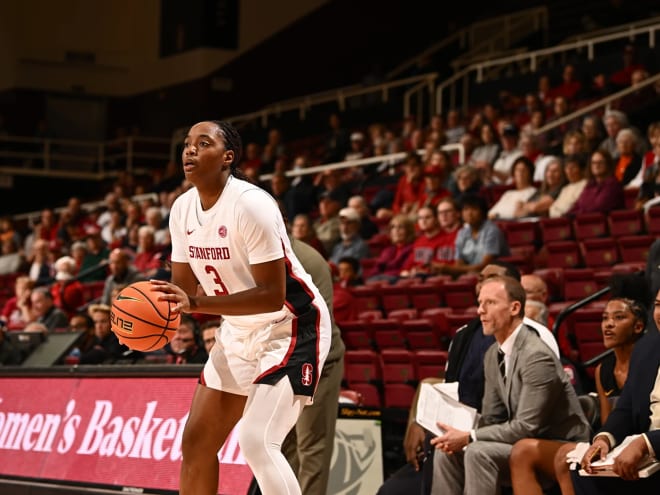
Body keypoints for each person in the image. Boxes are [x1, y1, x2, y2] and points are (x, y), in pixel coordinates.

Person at [149, 120, 331, 495]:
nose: (190, 151)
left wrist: (196, 302)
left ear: (227, 157)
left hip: (291, 326)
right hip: (237, 329)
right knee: (196, 443)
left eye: (203, 143)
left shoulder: (251, 204)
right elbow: (182, 290)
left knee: (256, 440)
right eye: (186, 144)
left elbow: (270, 294)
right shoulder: (182, 209)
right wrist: (153, 314)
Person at [376, 261, 560, 495]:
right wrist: (424, 423)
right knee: (439, 455)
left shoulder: (536, 336)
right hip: (477, 431)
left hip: (530, 437)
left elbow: (533, 416)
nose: (482, 282)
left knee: (474, 450)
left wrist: (471, 435)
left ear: (513, 293)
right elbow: (453, 392)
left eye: (491, 277)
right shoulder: (468, 337)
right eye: (480, 278)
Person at [430, 275, 590, 495]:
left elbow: (527, 426)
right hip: (522, 441)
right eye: (479, 303)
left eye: (490, 303)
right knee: (447, 451)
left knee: (478, 451)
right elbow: (492, 418)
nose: (480, 311)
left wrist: (469, 436)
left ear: (514, 308)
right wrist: (459, 436)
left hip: (557, 445)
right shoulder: (491, 355)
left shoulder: (536, 356)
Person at [510, 295, 647, 495]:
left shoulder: (649, 365)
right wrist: (603, 444)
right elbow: (608, 423)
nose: (608, 325)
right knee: (526, 450)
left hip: (642, 446)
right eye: (604, 318)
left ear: (638, 327)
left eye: (618, 318)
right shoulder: (603, 369)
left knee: (565, 460)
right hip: (613, 444)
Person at [573, 290, 660, 494]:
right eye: (658, 305)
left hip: (653, 447)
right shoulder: (646, 348)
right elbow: (626, 408)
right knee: (583, 470)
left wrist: (646, 444)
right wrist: (604, 439)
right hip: (648, 455)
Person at [281, 235, 346, 495]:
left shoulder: (309, 261)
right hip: (281, 359)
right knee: (279, 445)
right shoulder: (256, 255)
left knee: (311, 446)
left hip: (317, 361)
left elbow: (318, 330)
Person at [568, 149, 624, 216]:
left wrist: (580, 211)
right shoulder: (590, 185)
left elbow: (598, 207)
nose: (596, 166)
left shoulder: (613, 184)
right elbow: (578, 205)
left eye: (600, 162)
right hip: (588, 222)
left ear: (608, 164)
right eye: (593, 163)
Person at [364, 214, 416, 284]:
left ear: (409, 231)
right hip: (381, 278)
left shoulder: (413, 248)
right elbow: (377, 268)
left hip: (398, 280)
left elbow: (405, 270)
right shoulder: (388, 250)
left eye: (400, 227)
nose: (396, 231)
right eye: (393, 227)